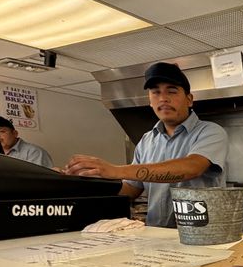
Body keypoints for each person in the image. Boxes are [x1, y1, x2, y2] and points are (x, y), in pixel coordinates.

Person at [65, 62, 229, 227]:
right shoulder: (147, 140)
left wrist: (115, 170)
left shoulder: (210, 132)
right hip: (156, 235)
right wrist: (88, 184)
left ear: (189, 99)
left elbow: (192, 167)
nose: (163, 98)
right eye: (155, 92)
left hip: (203, 236)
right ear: (150, 101)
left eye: (172, 91)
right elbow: (131, 189)